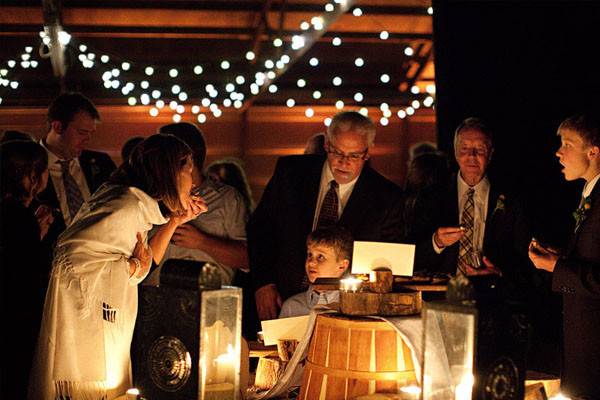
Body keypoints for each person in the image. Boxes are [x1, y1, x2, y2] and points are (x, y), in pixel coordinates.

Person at [28, 134, 207, 400]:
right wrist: (131, 267)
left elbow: (142, 264)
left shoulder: (136, 204)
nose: (192, 181)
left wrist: (173, 222)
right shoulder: (126, 204)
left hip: (109, 318)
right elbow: (72, 258)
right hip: (88, 326)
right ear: (168, 171)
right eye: (188, 171)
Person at [248, 110, 404, 321]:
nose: (344, 162)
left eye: (354, 155)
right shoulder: (291, 172)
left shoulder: (386, 198)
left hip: (344, 310)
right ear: (326, 145)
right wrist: (263, 283)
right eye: (337, 152)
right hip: (281, 298)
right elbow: (261, 228)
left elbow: (385, 263)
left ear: (367, 153)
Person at [528, 113, 600, 399]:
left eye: (567, 144)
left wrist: (558, 268)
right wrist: (560, 257)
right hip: (582, 346)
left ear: (593, 152)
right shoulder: (588, 193)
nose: (558, 152)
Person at [414, 117, 531, 281]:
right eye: (465, 148)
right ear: (455, 152)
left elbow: (524, 258)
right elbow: (412, 255)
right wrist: (437, 242)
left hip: (494, 295)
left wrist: (499, 273)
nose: (471, 155)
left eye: (480, 149)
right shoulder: (432, 195)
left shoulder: (512, 200)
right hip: (441, 297)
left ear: (490, 153)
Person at [144, 123, 249, 286]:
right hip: (153, 299)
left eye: (162, 155)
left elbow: (248, 259)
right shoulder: (147, 197)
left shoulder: (227, 199)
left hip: (211, 303)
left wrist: (202, 241)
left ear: (187, 159)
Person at [0, 140, 53, 398]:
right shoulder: (20, 219)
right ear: (31, 175)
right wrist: (37, 236)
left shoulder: (15, 212)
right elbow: (26, 272)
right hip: (17, 320)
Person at [37, 92, 117, 249]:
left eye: (90, 133)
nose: (87, 139)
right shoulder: (29, 164)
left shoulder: (101, 163)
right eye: (82, 132)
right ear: (58, 126)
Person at [279, 226, 352, 318]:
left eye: (321, 257)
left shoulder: (353, 308)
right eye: (310, 255)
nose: (311, 262)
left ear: (342, 266)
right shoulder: (292, 307)